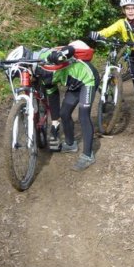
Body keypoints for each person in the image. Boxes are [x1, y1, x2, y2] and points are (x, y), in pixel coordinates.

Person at [39, 40, 100, 171]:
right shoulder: (43, 79)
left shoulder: (46, 57)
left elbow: (70, 49)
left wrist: (58, 56)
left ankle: (88, 155)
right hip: (74, 84)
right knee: (64, 113)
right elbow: (53, 98)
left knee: (83, 115)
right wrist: (55, 124)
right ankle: (71, 144)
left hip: (88, 79)